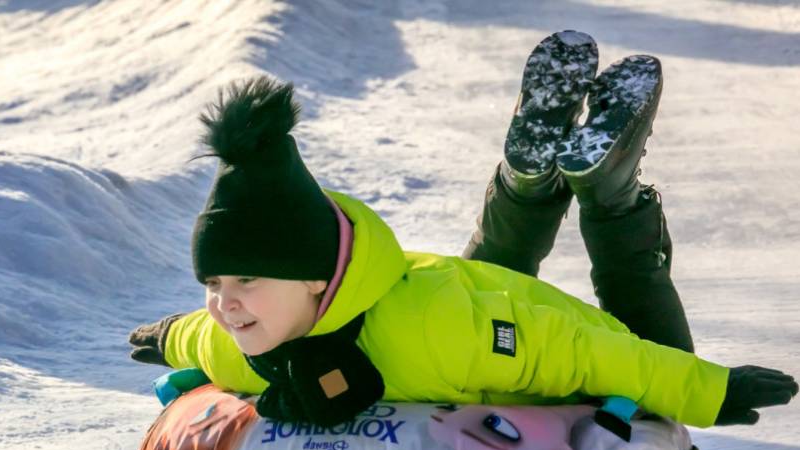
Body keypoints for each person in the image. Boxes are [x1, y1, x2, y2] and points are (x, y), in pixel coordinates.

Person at [129, 31, 797, 429]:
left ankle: (608, 193)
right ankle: (527, 179)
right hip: (464, 297)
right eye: (213, 283)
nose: (225, 302)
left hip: (517, 330)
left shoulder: (432, 334)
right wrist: (168, 336)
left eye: (244, 279)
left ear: (313, 277)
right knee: (492, 279)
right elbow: (202, 332)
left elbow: (581, 351)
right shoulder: (234, 337)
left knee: (630, 313)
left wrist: (709, 389)